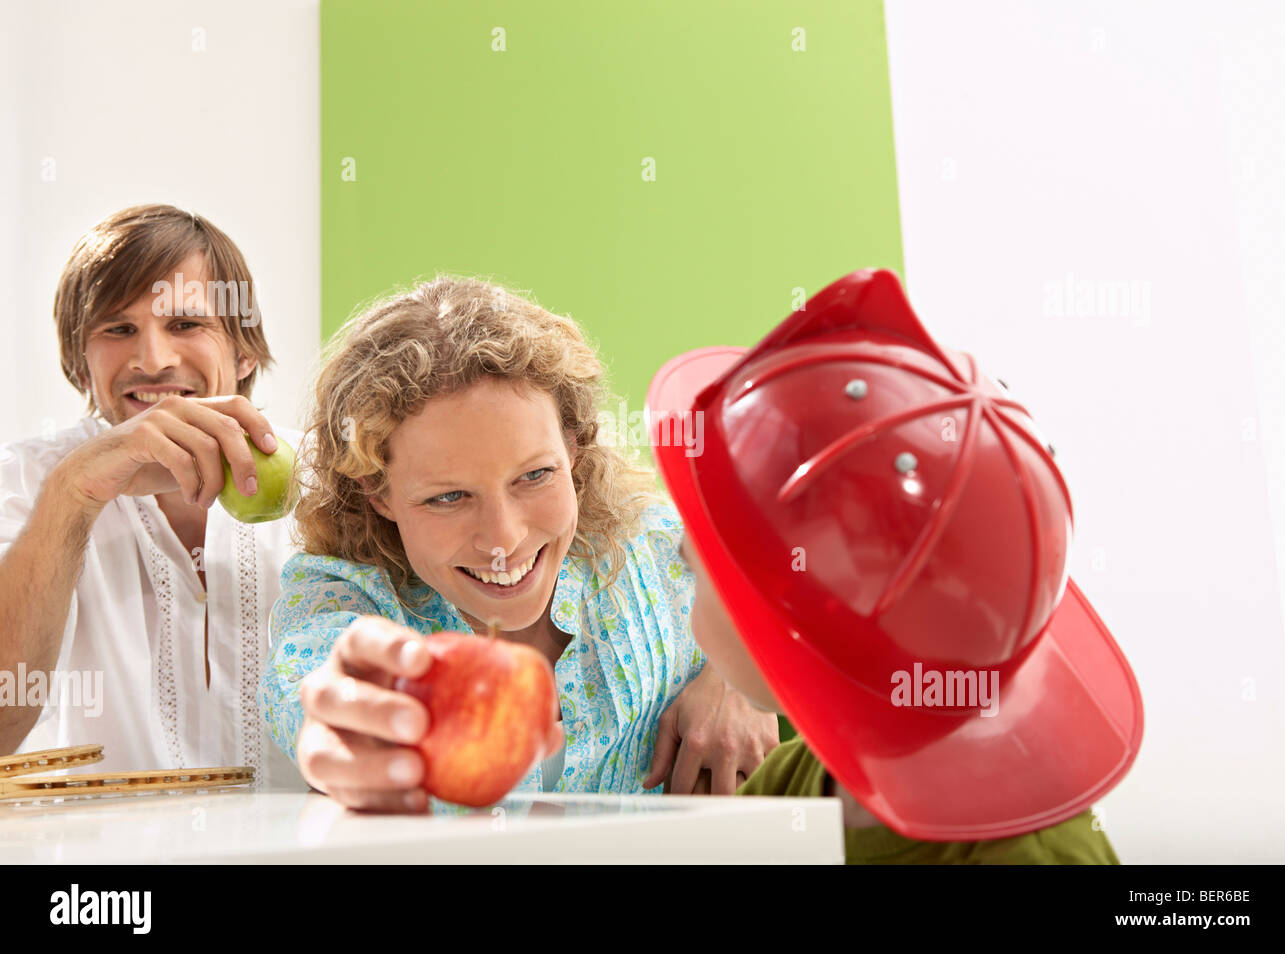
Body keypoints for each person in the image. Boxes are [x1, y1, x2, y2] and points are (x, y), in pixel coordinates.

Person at [646, 268, 1144, 863]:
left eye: (707, 555)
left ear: (795, 628)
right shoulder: (798, 783)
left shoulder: (1028, 858)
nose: (682, 550)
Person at [260, 277, 779, 812]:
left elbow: (794, 583)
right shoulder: (344, 597)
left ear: (573, 446)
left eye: (534, 476)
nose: (504, 539)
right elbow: (310, 683)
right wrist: (341, 721)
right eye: (448, 497)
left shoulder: (658, 547)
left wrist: (737, 676)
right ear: (377, 491)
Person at [0, 204, 306, 789]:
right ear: (79, 362)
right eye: (118, 329)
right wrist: (74, 495)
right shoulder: (23, 481)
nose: (153, 360)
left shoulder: (326, 479)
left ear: (243, 352)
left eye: (186, 325)